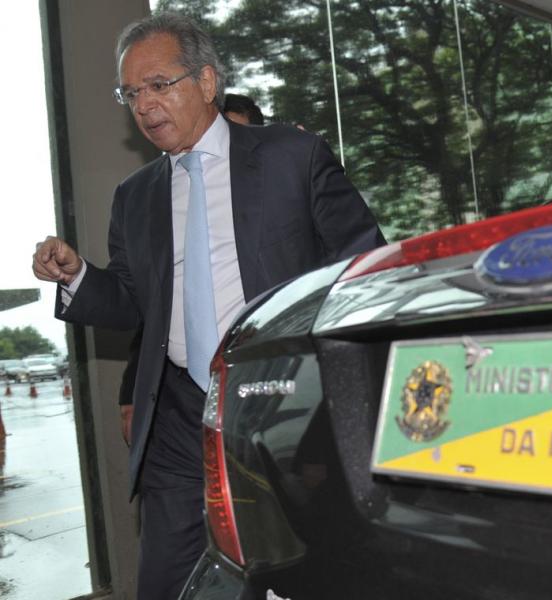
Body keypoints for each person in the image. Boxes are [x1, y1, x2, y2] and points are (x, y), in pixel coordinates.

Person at [31, 12, 384, 599]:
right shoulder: (135, 196)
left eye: (159, 84)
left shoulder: (291, 157)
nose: (143, 105)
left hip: (283, 403)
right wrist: (78, 278)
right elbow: (131, 302)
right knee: (168, 583)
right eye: (131, 92)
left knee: (308, 572)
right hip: (176, 417)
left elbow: (362, 265)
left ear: (207, 82)